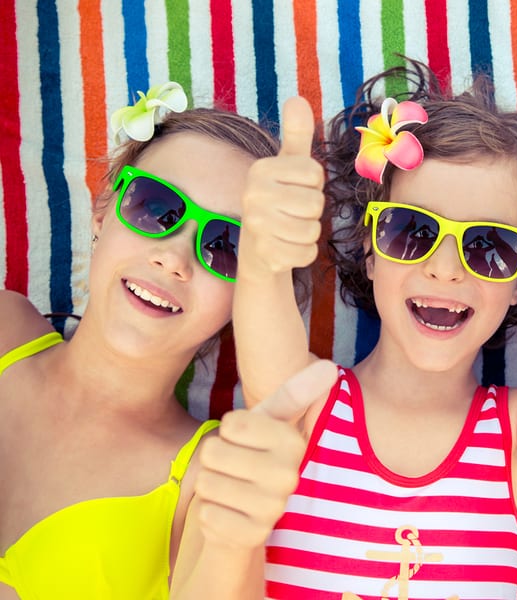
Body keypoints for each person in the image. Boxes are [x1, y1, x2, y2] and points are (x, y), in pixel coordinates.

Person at [225, 60, 517, 599]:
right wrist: (262, 252)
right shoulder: (305, 402)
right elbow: (264, 323)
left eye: (489, 246)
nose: (444, 269)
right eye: (411, 231)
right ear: (370, 252)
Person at [0, 83, 320, 600]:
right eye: (156, 208)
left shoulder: (209, 478)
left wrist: (231, 543)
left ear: (246, 299)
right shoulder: (4, 324)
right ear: (103, 213)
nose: (174, 257)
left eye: (226, 245)